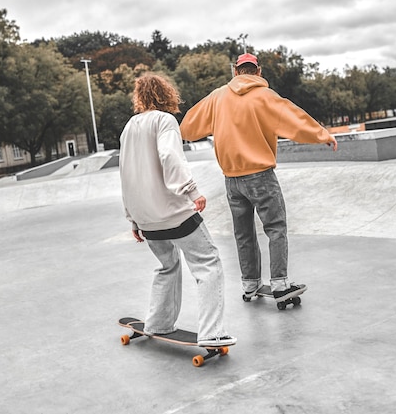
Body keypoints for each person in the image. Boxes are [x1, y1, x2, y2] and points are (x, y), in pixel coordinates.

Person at [180, 53, 338, 302]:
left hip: (231, 179)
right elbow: (294, 119)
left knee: (243, 233)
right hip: (260, 177)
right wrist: (321, 135)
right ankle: (279, 284)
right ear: (258, 71)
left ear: (235, 71)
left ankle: (250, 285)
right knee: (275, 228)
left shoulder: (217, 97)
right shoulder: (265, 96)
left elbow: (189, 125)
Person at [119, 74, 236, 347]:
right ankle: (212, 332)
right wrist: (192, 191)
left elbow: (126, 175)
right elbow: (170, 156)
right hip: (173, 214)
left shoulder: (128, 128)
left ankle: (158, 323)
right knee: (208, 263)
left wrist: (133, 219)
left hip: (146, 219)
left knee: (167, 265)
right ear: (167, 94)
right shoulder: (164, 120)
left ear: (139, 98)